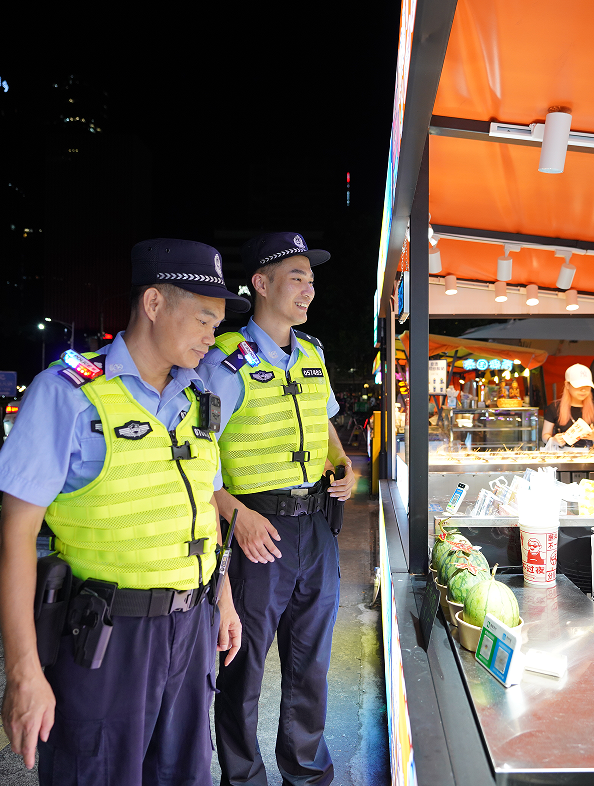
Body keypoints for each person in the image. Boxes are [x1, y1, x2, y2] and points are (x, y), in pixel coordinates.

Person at [0, 239, 247, 785]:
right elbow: (15, 538)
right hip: (106, 638)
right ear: (154, 304)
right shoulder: (68, 395)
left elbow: (203, 507)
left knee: (185, 774)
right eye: (204, 319)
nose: (212, 337)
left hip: (192, 628)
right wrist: (23, 674)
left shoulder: (197, 399)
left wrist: (221, 598)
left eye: (218, 324)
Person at [199, 232, 357, 786]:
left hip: (316, 530)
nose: (309, 289)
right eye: (297, 277)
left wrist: (344, 466)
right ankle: (242, 778)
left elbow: (327, 427)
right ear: (260, 284)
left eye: (312, 279)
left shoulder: (312, 353)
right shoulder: (225, 360)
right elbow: (198, 451)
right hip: (257, 533)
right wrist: (233, 513)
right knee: (242, 668)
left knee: (312, 663)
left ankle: (306, 772)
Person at [541, 364, 594, 447]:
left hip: (588, 456)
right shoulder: (555, 407)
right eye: (579, 386)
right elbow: (544, 435)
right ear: (567, 385)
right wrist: (553, 440)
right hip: (562, 455)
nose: (583, 390)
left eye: (587, 386)